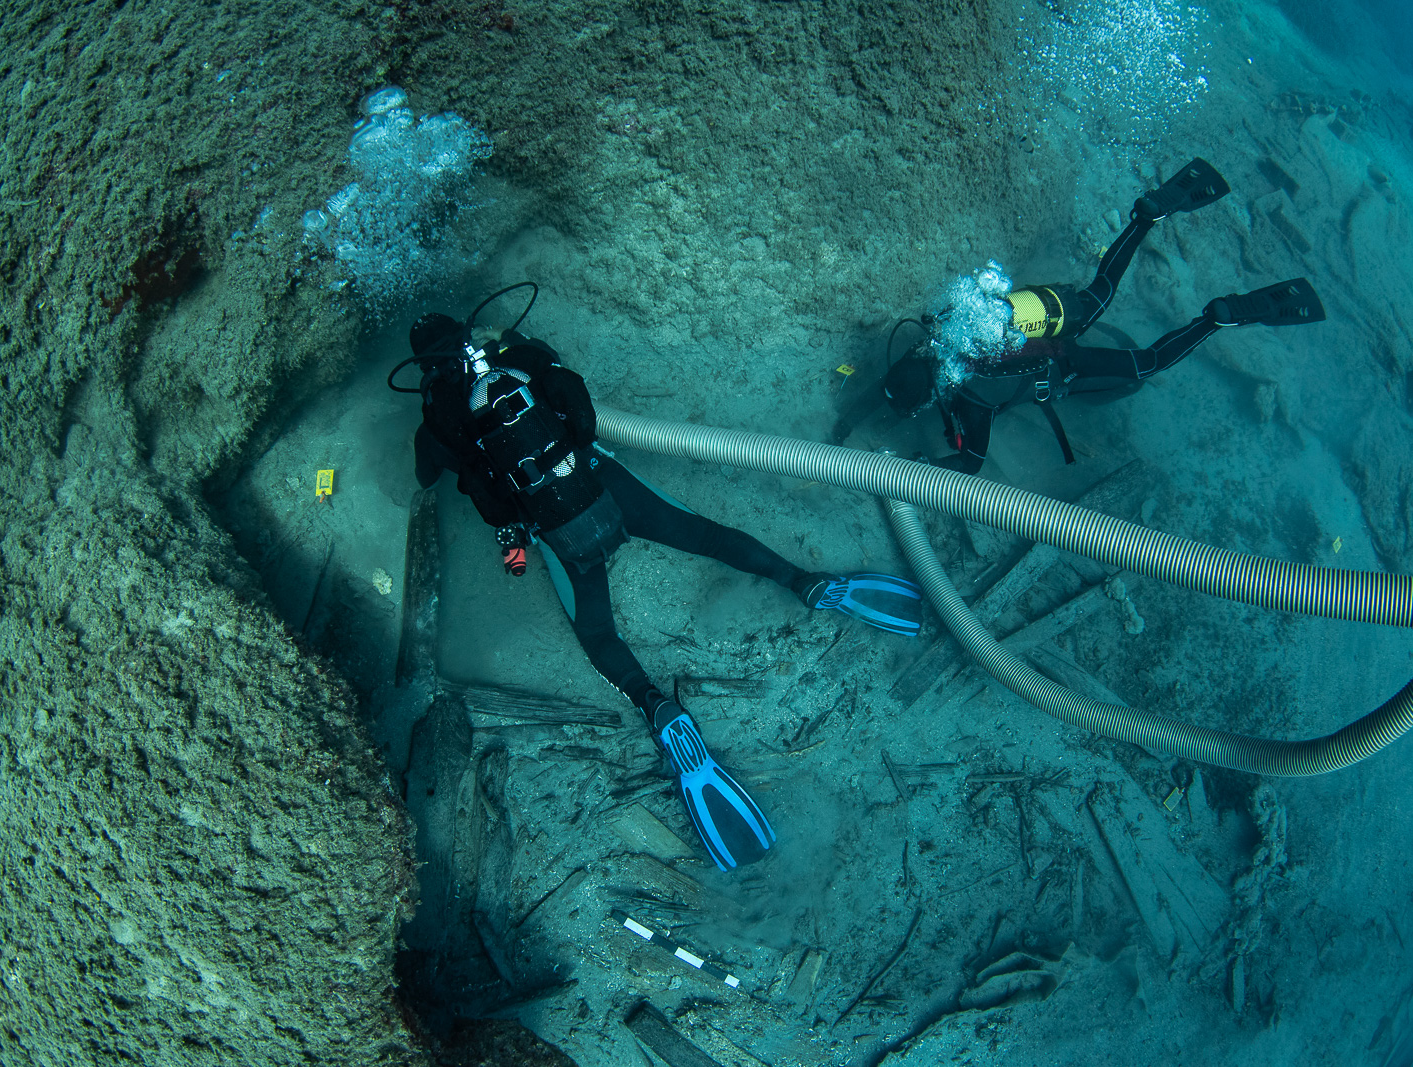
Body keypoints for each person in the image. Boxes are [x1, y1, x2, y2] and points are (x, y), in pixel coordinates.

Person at [391, 284, 924, 871]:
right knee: (707, 536)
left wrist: (442, 437)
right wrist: (514, 352)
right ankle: (805, 584)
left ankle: (656, 707)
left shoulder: (438, 422)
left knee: (598, 637)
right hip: (605, 486)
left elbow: (422, 477)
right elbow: (573, 397)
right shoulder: (515, 359)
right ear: (467, 339)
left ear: (422, 370)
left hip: (556, 534)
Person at [831, 159, 1327, 472]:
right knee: (1101, 290)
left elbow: (969, 465)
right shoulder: (935, 339)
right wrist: (841, 430)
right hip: (1038, 317)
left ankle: (1217, 319)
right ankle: (1147, 216)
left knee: (1147, 364)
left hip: (1061, 361)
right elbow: (886, 390)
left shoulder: (972, 405)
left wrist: (915, 466)